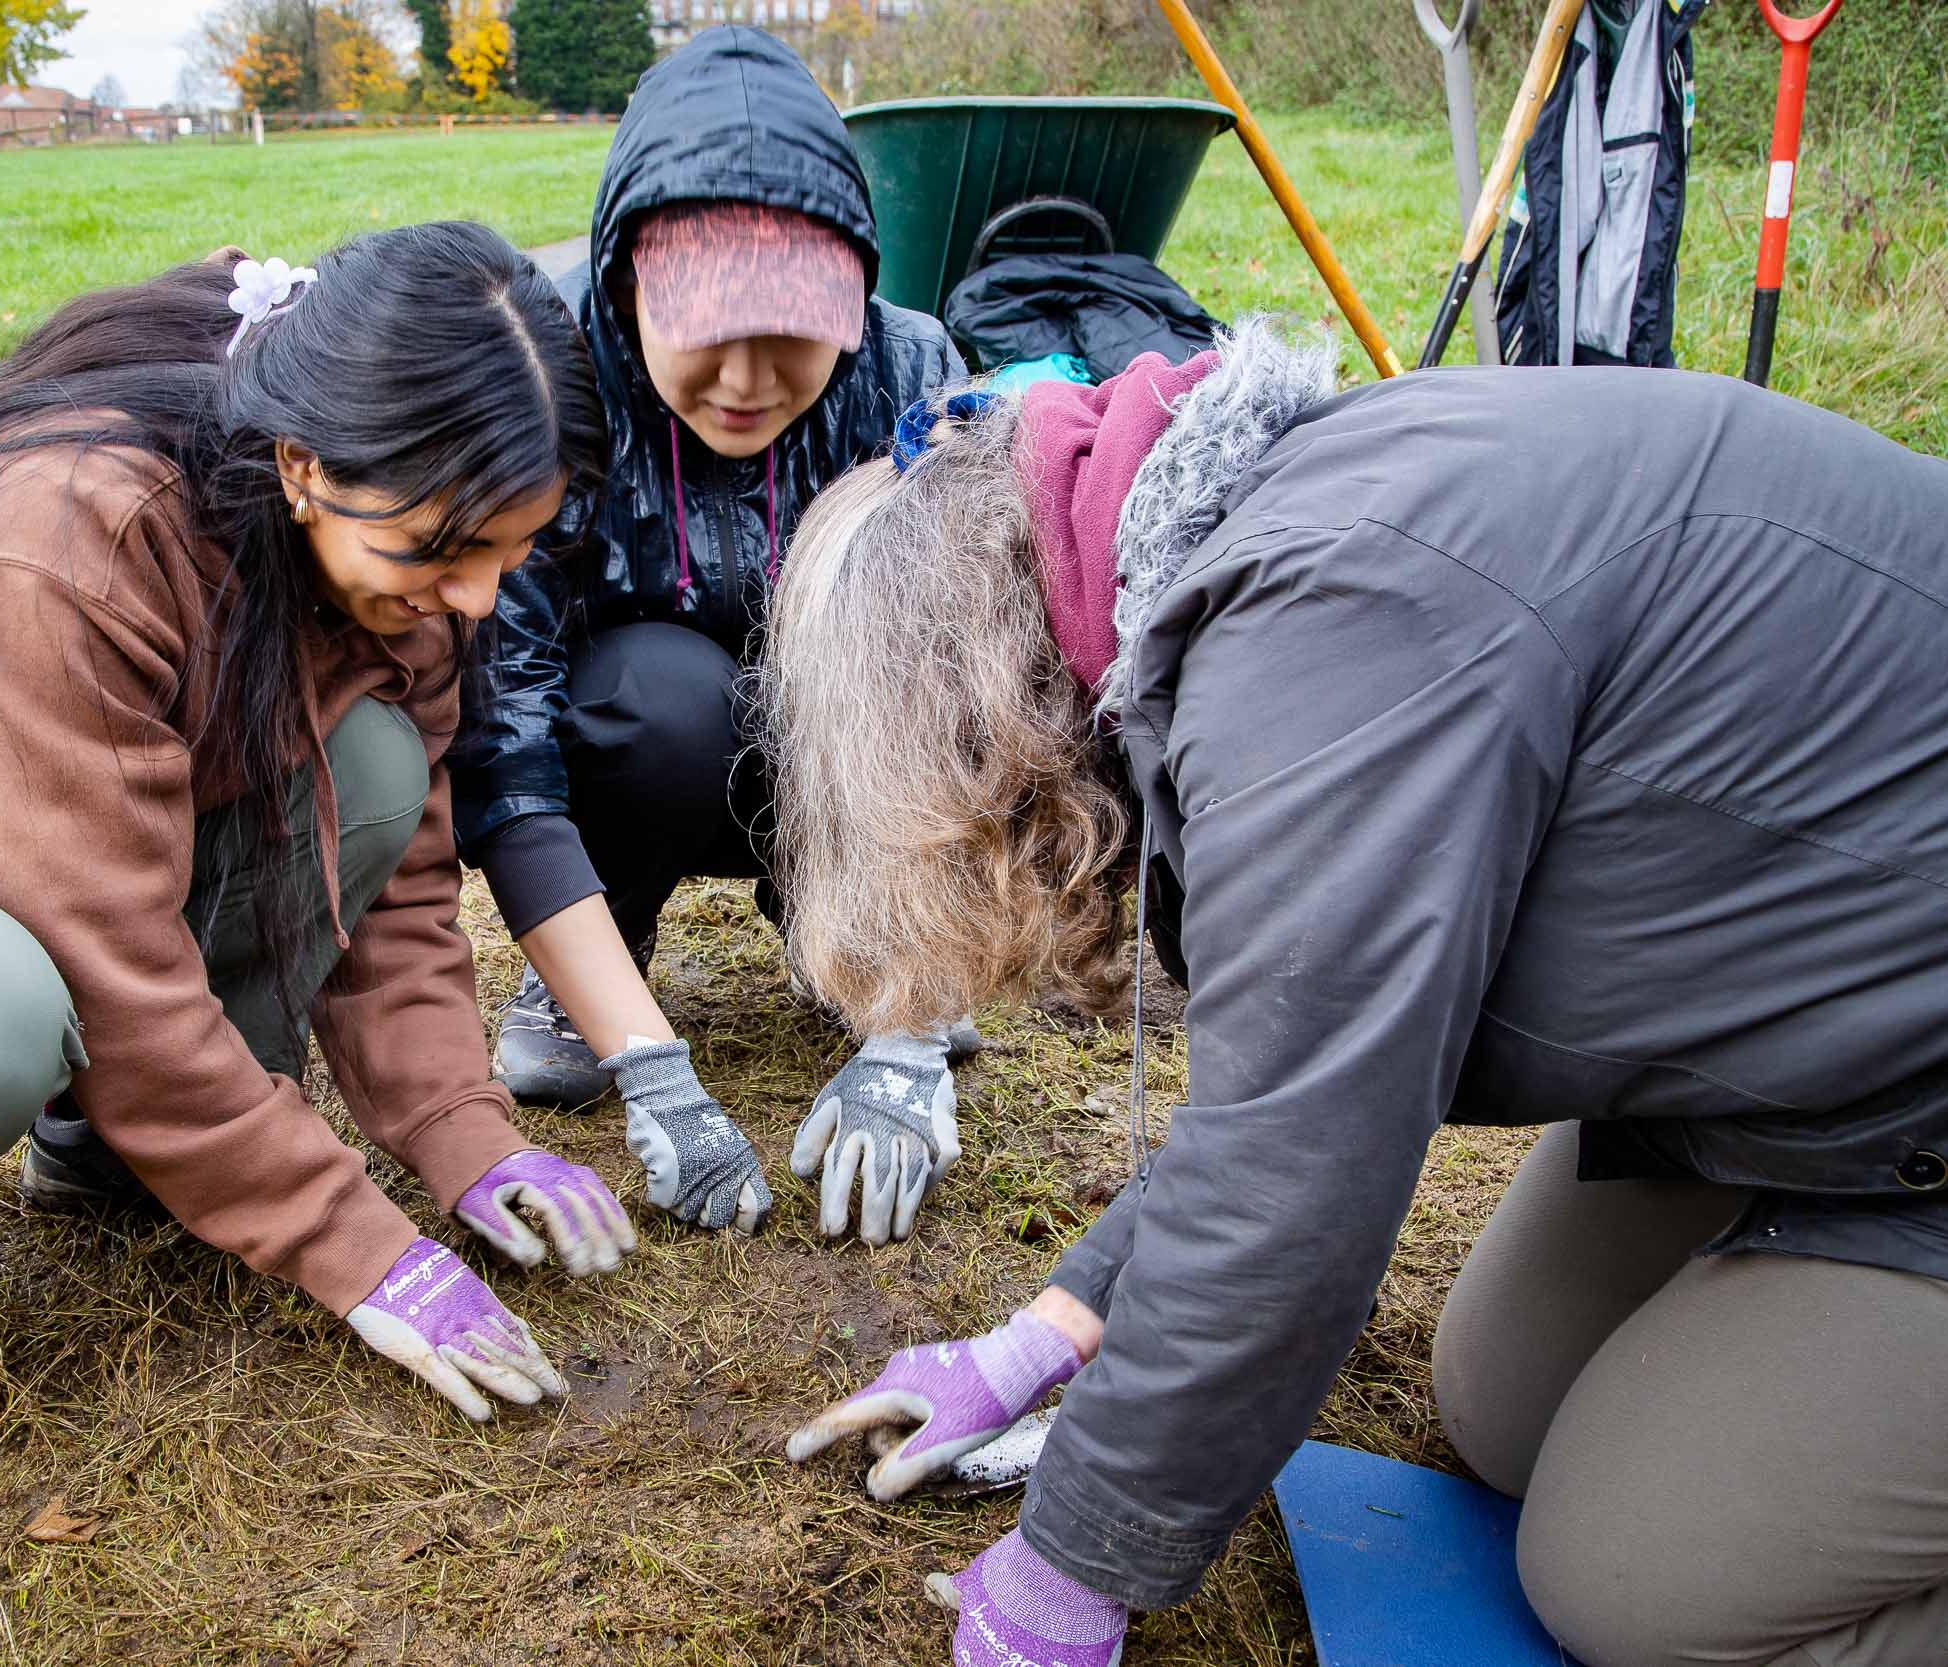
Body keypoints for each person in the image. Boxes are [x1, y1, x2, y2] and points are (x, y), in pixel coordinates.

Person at [766, 325, 1948, 1666]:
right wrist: (1045, 1333)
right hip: (1810, 1027)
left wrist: (1076, 1557)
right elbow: (1309, 1068)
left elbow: (1293, 1167)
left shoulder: (1328, 631)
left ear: (966, 694)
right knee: (1499, 1402)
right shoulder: (1238, 552)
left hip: (1917, 1076)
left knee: (1624, 1578)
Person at [0, 224, 638, 1424]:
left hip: (8, 860)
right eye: (444, 550)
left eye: (514, 547)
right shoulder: (67, 526)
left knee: (377, 765)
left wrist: (466, 1134)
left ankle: (115, 1140)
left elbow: (400, 883)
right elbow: (104, 955)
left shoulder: (390, 544)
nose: (477, 596)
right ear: (302, 463)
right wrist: (360, 1250)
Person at [453, 26, 971, 1247]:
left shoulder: (912, 371)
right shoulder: (560, 380)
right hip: (647, 746)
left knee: (891, 675)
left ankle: (851, 949)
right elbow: (505, 727)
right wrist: (653, 1067)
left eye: (790, 333)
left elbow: (968, 703)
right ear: (629, 289)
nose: (746, 379)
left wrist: (910, 1022)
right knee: (648, 690)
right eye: (706, 333)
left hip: (846, 768)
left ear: (853, 299)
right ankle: (595, 982)